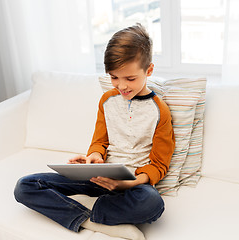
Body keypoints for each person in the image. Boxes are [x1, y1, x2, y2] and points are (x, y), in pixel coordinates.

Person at [14, 23, 175, 238]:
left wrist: (131, 182)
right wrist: (93, 158)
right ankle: (91, 219)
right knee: (25, 186)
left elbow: (159, 164)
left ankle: (83, 212)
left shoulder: (160, 111)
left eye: (130, 78)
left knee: (152, 203)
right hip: (99, 177)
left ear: (149, 70)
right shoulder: (107, 101)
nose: (122, 86)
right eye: (114, 77)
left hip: (132, 185)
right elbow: (100, 141)